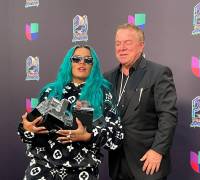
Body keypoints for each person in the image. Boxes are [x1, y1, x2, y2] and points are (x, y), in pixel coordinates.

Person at [18, 45, 123, 180]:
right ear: (69, 62)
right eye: (76, 59)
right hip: (42, 170)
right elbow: (27, 133)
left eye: (88, 60)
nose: (82, 62)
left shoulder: (103, 94)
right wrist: (26, 128)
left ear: (94, 66)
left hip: (80, 172)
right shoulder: (51, 92)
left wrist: (88, 136)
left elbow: (116, 138)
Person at [105, 23, 178, 180]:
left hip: (147, 162)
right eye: (118, 43)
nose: (121, 48)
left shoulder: (158, 73)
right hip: (117, 163)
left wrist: (158, 150)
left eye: (127, 43)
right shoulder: (108, 78)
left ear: (141, 46)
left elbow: (168, 116)